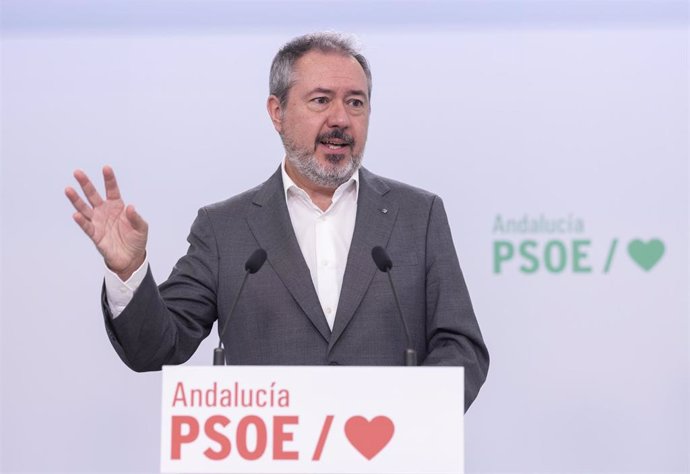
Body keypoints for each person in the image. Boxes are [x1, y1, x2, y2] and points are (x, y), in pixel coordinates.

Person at [65, 32, 489, 410]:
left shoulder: (418, 215)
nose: (341, 119)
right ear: (277, 112)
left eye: (355, 102)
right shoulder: (225, 228)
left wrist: (415, 414)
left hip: (388, 455)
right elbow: (154, 348)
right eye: (321, 100)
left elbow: (461, 347)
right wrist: (128, 269)